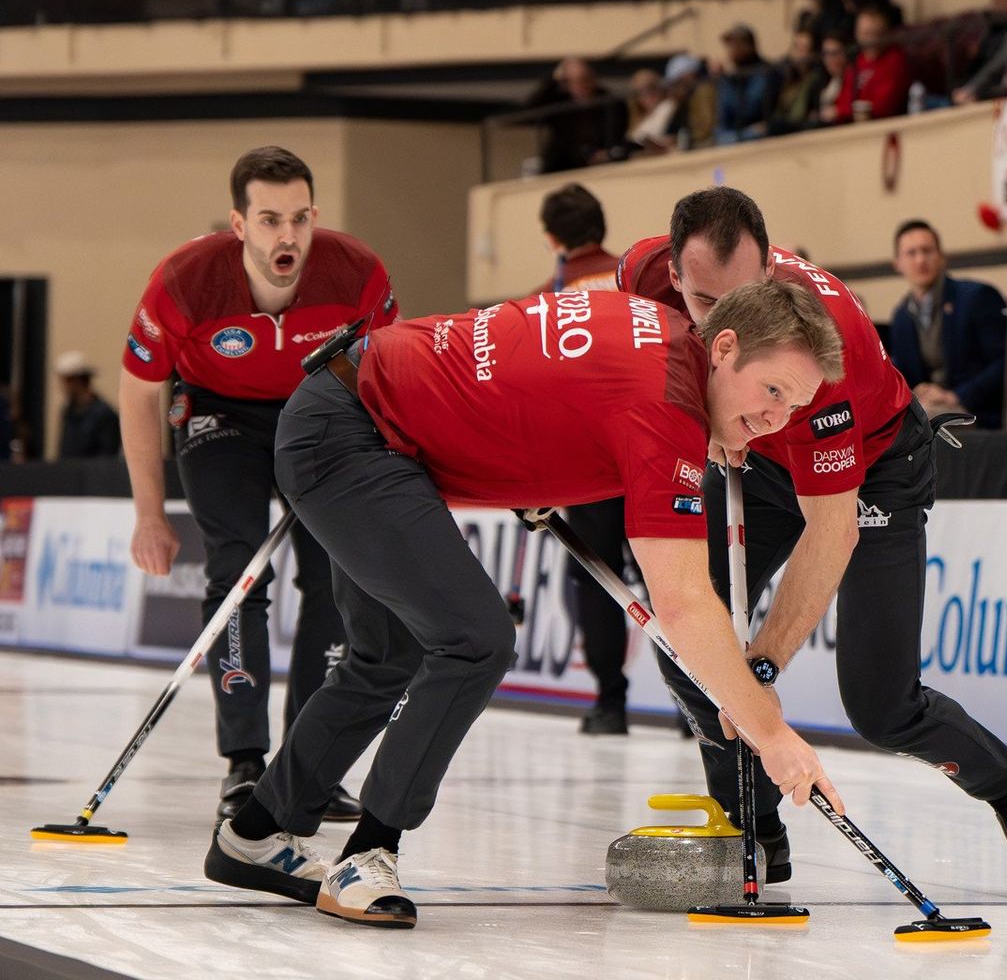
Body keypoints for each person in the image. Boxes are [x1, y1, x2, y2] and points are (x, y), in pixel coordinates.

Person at [203, 282, 848, 926]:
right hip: (354, 434)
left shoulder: (663, 329)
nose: (775, 422)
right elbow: (681, 600)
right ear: (726, 347)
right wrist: (770, 732)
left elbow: (541, 371)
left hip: (355, 407)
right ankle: (369, 852)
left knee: (389, 649)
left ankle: (257, 831)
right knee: (475, 639)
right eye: (771, 392)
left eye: (793, 406)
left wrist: (535, 460)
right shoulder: (664, 408)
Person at [616, 186, 1007, 901]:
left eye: (745, 296)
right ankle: (756, 829)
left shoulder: (820, 351)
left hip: (869, 470)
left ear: (770, 269)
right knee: (688, 646)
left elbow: (830, 528)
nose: (728, 324)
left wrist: (761, 668)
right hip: (760, 457)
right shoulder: (643, 275)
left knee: (880, 704)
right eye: (707, 305)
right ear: (673, 275)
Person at [120, 146, 399, 823]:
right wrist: (150, 515)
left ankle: (309, 762)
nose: (288, 237)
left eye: (300, 219)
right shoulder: (184, 282)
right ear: (239, 224)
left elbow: (392, 375)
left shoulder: (357, 272)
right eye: (270, 220)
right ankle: (245, 761)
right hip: (220, 415)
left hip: (320, 412)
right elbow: (138, 393)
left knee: (338, 578)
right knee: (239, 573)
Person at [532, 184, 631, 734]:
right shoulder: (637, 279)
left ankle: (610, 703)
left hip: (589, 460)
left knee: (599, 577)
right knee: (682, 576)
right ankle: (702, 702)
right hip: (652, 450)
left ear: (552, 238)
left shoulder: (546, 298)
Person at [887, 220, 1007, 428]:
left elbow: (1005, 363)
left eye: (927, 251)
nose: (920, 260)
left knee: (915, 423)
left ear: (941, 257)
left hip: (978, 411)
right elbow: (903, 374)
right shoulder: (901, 317)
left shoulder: (977, 297)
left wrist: (955, 396)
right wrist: (919, 390)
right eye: (911, 253)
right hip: (931, 408)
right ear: (897, 263)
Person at [523, 57, 629, 173]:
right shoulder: (560, 104)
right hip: (563, 167)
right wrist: (552, 80)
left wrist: (606, 153)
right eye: (575, 81)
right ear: (565, 83)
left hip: (601, 167)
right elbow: (528, 113)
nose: (582, 85)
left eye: (585, 79)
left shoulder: (609, 103)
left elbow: (616, 138)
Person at [833, 6, 912, 123]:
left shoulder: (895, 60)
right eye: (865, 34)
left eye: (875, 34)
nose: (870, 40)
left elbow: (883, 106)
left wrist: (843, 111)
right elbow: (843, 99)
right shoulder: (858, 60)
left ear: (885, 34)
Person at [714, 22, 781, 143]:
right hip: (732, 135)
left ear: (748, 46)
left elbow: (748, 110)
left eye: (734, 44)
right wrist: (726, 79)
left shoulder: (764, 72)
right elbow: (724, 117)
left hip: (757, 136)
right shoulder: (733, 76)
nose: (730, 50)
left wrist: (728, 82)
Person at [55, 351, 120, 459]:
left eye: (66, 381)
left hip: (93, 474)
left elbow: (108, 456)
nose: (62, 387)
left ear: (78, 380)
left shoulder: (104, 414)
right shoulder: (68, 412)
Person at [768, 26, 825, 134]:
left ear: (813, 52)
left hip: (800, 130)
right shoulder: (782, 76)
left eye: (804, 48)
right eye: (796, 47)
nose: (799, 53)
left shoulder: (817, 78)